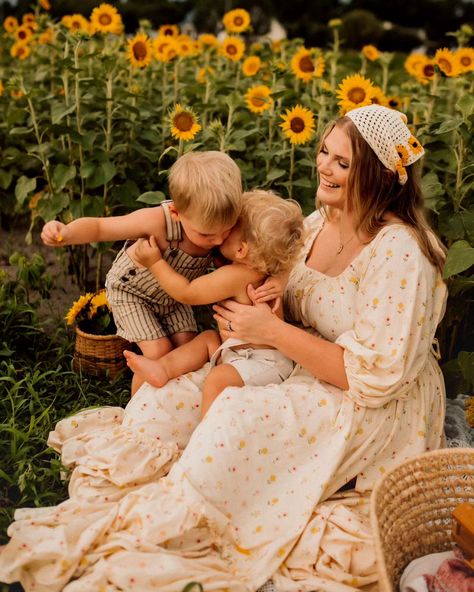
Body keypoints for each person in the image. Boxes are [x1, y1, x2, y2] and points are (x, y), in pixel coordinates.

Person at [0, 105, 448, 592]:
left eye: (343, 163)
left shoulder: (399, 251)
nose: (323, 166)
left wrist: (272, 332)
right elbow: (286, 292)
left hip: (360, 401)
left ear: (381, 177)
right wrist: (272, 310)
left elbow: (376, 377)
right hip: (288, 357)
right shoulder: (321, 222)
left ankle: (198, 501)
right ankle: (191, 471)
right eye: (324, 152)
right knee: (164, 398)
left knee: (234, 415)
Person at [41, 150, 243, 393]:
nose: (219, 239)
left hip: (173, 296)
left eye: (227, 229)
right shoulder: (157, 222)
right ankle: (140, 407)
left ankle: (180, 402)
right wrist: (67, 233)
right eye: (207, 235)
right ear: (176, 213)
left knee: (189, 351)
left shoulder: (216, 224)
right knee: (161, 353)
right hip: (132, 293)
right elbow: (100, 227)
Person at [124, 189, 305, 415]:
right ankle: (162, 367)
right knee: (208, 338)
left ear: (241, 250)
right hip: (237, 352)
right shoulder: (260, 268)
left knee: (218, 379)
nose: (219, 234)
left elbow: (187, 292)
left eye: (227, 230)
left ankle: (207, 434)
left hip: (264, 363)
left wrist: (155, 263)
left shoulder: (239, 275)